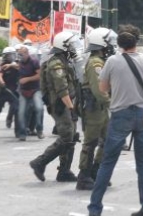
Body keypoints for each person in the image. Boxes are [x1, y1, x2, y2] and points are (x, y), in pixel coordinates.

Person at [87, 24, 143, 216]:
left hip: (120, 114)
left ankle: (95, 208)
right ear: (137, 42)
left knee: (107, 162)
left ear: (119, 42)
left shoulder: (112, 61)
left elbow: (102, 87)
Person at [29, 31, 82, 182]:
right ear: (63, 46)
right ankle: (39, 162)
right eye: (71, 46)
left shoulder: (65, 61)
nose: (73, 49)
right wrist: (71, 108)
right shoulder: (56, 64)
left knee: (71, 136)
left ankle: (64, 171)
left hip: (67, 103)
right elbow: (62, 90)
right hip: (61, 105)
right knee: (67, 137)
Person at [76, 27, 117, 191]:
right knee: (90, 142)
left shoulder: (101, 62)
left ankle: (96, 171)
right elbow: (99, 90)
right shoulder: (95, 63)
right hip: (93, 109)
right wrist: (113, 104)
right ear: (101, 44)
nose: (111, 47)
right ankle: (84, 176)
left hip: (100, 109)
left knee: (107, 140)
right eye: (108, 44)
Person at [16, 45, 44, 140]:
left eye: (21, 54)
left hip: (35, 89)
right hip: (23, 90)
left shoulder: (34, 62)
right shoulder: (19, 62)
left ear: (27, 53)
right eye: (19, 54)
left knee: (39, 108)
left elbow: (40, 75)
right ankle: (23, 132)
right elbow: (16, 67)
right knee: (21, 112)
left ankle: (39, 129)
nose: (20, 56)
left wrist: (27, 79)